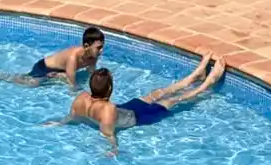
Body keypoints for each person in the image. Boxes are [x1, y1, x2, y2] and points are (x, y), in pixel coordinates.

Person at [54, 55, 226, 153]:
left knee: (156, 93)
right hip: (139, 117)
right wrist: (113, 149)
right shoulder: (108, 109)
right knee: (172, 100)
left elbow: (73, 115)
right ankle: (207, 84)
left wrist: (59, 123)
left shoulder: (82, 97)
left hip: (127, 110)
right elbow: (108, 133)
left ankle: (194, 76)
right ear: (110, 88)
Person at [0, 25, 104, 87]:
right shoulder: (72, 57)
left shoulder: (94, 55)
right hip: (44, 67)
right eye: (98, 47)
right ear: (86, 46)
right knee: (31, 84)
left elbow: (91, 72)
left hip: (59, 70)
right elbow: (71, 84)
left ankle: (57, 75)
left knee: (59, 77)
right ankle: (4, 77)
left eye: (102, 47)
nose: (101, 51)